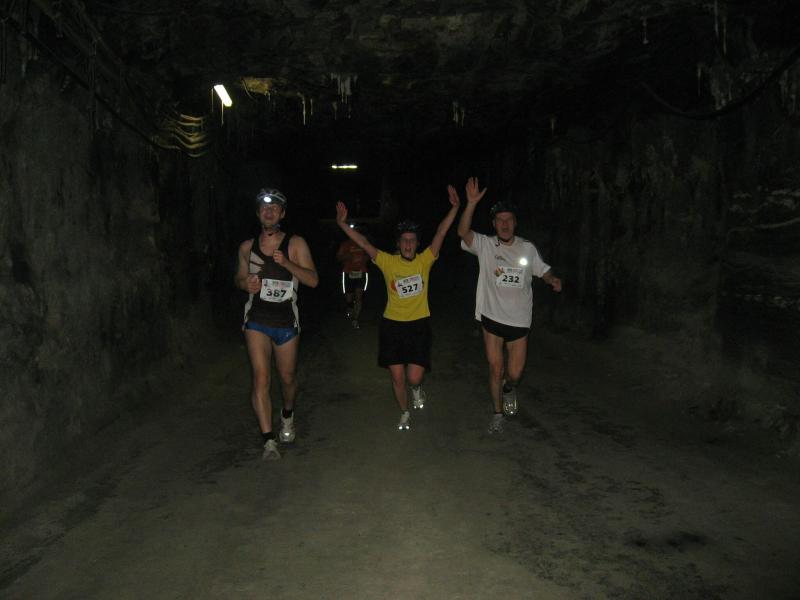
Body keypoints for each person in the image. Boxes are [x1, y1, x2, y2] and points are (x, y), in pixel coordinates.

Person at [335, 187, 460, 430]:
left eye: (412, 240)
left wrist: (455, 208)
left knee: (414, 377)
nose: (408, 244)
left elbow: (441, 232)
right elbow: (363, 242)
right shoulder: (388, 262)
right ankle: (404, 412)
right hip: (392, 326)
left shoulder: (425, 260)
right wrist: (342, 224)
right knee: (397, 376)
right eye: (404, 240)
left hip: (419, 326)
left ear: (417, 244)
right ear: (399, 243)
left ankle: (417, 388)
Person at [456, 177, 562, 434]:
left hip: (519, 322)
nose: (504, 224)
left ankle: (509, 387)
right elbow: (462, 232)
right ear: (494, 224)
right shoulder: (485, 245)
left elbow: (543, 270)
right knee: (495, 368)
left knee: (514, 373)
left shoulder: (527, 248)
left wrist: (552, 279)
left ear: (515, 223)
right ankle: (497, 413)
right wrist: (471, 204)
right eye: (499, 220)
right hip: (492, 318)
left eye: (509, 220)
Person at [234, 188, 319, 460]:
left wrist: (289, 264)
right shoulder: (247, 247)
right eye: (264, 207)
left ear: (282, 214)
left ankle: (287, 414)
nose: (269, 212)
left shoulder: (295, 244)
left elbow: (313, 280)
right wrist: (245, 284)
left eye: (274, 208)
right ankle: (269, 441)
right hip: (256, 321)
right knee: (261, 378)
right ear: (258, 213)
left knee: (287, 378)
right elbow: (239, 278)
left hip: (286, 322)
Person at [336, 225, 370, 329]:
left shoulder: (363, 243)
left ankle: (355, 319)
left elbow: (370, 254)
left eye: (357, 232)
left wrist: (366, 257)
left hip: (361, 272)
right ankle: (349, 306)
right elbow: (338, 257)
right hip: (348, 273)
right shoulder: (345, 244)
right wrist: (347, 256)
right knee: (349, 298)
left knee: (359, 297)